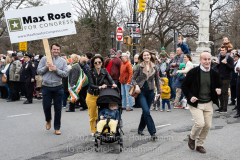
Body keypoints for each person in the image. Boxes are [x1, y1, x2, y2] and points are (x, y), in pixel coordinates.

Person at [182, 51, 222, 154]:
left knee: (207, 125)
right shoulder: (193, 72)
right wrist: (190, 97)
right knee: (200, 123)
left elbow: (219, 85)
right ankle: (192, 137)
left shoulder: (214, 73)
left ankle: (200, 144)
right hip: (196, 103)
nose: (207, 61)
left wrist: (219, 89)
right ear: (200, 60)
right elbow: (184, 86)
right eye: (205, 59)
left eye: (209, 59)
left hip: (208, 102)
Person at [37, 43, 68, 135]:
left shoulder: (62, 61)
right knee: (46, 106)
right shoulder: (44, 59)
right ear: (51, 50)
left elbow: (65, 74)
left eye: (58, 49)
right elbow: (39, 71)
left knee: (58, 108)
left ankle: (57, 127)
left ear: (59, 50)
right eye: (54, 49)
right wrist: (46, 67)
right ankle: (48, 119)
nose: (56, 51)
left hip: (58, 87)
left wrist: (56, 70)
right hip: (46, 87)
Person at [131, 49, 161, 140]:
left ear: (150, 56)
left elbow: (157, 80)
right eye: (144, 55)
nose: (146, 57)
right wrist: (136, 86)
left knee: (145, 111)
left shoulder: (155, 67)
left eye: (147, 55)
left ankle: (140, 128)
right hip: (141, 92)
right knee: (147, 111)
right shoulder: (139, 67)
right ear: (142, 57)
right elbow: (132, 79)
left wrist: (158, 92)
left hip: (151, 91)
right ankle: (153, 132)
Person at [86, 56, 117, 136]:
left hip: (101, 95)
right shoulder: (90, 72)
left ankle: (104, 130)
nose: (97, 64)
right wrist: (99, 87)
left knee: (103, 114)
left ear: (102, 62)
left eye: (99, 62)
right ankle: (93, 131)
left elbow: (110, 79)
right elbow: (91, 85)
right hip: (91, 95)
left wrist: (113, 83)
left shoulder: (104, 71)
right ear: (93, 63)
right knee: (93, 115)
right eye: (95, 62)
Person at [215, 46, 234, 113]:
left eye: (223, 50)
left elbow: (232, 68)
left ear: (226, 51)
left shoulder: (229, 58)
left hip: (226, 78)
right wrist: (217, 63)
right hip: (220, 77)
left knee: (225, 92)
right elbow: (218, 68)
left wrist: (226, 63)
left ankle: (225, 108)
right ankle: (221, 107)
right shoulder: (220, 57)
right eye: (221, 50)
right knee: (219, 92)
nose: (221, 51)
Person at [234, 53, 240, 118]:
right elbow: (235, 69)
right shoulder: (239, 60)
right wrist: (238, 70)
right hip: (239, 78)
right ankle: (238, 112)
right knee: (238, 95)